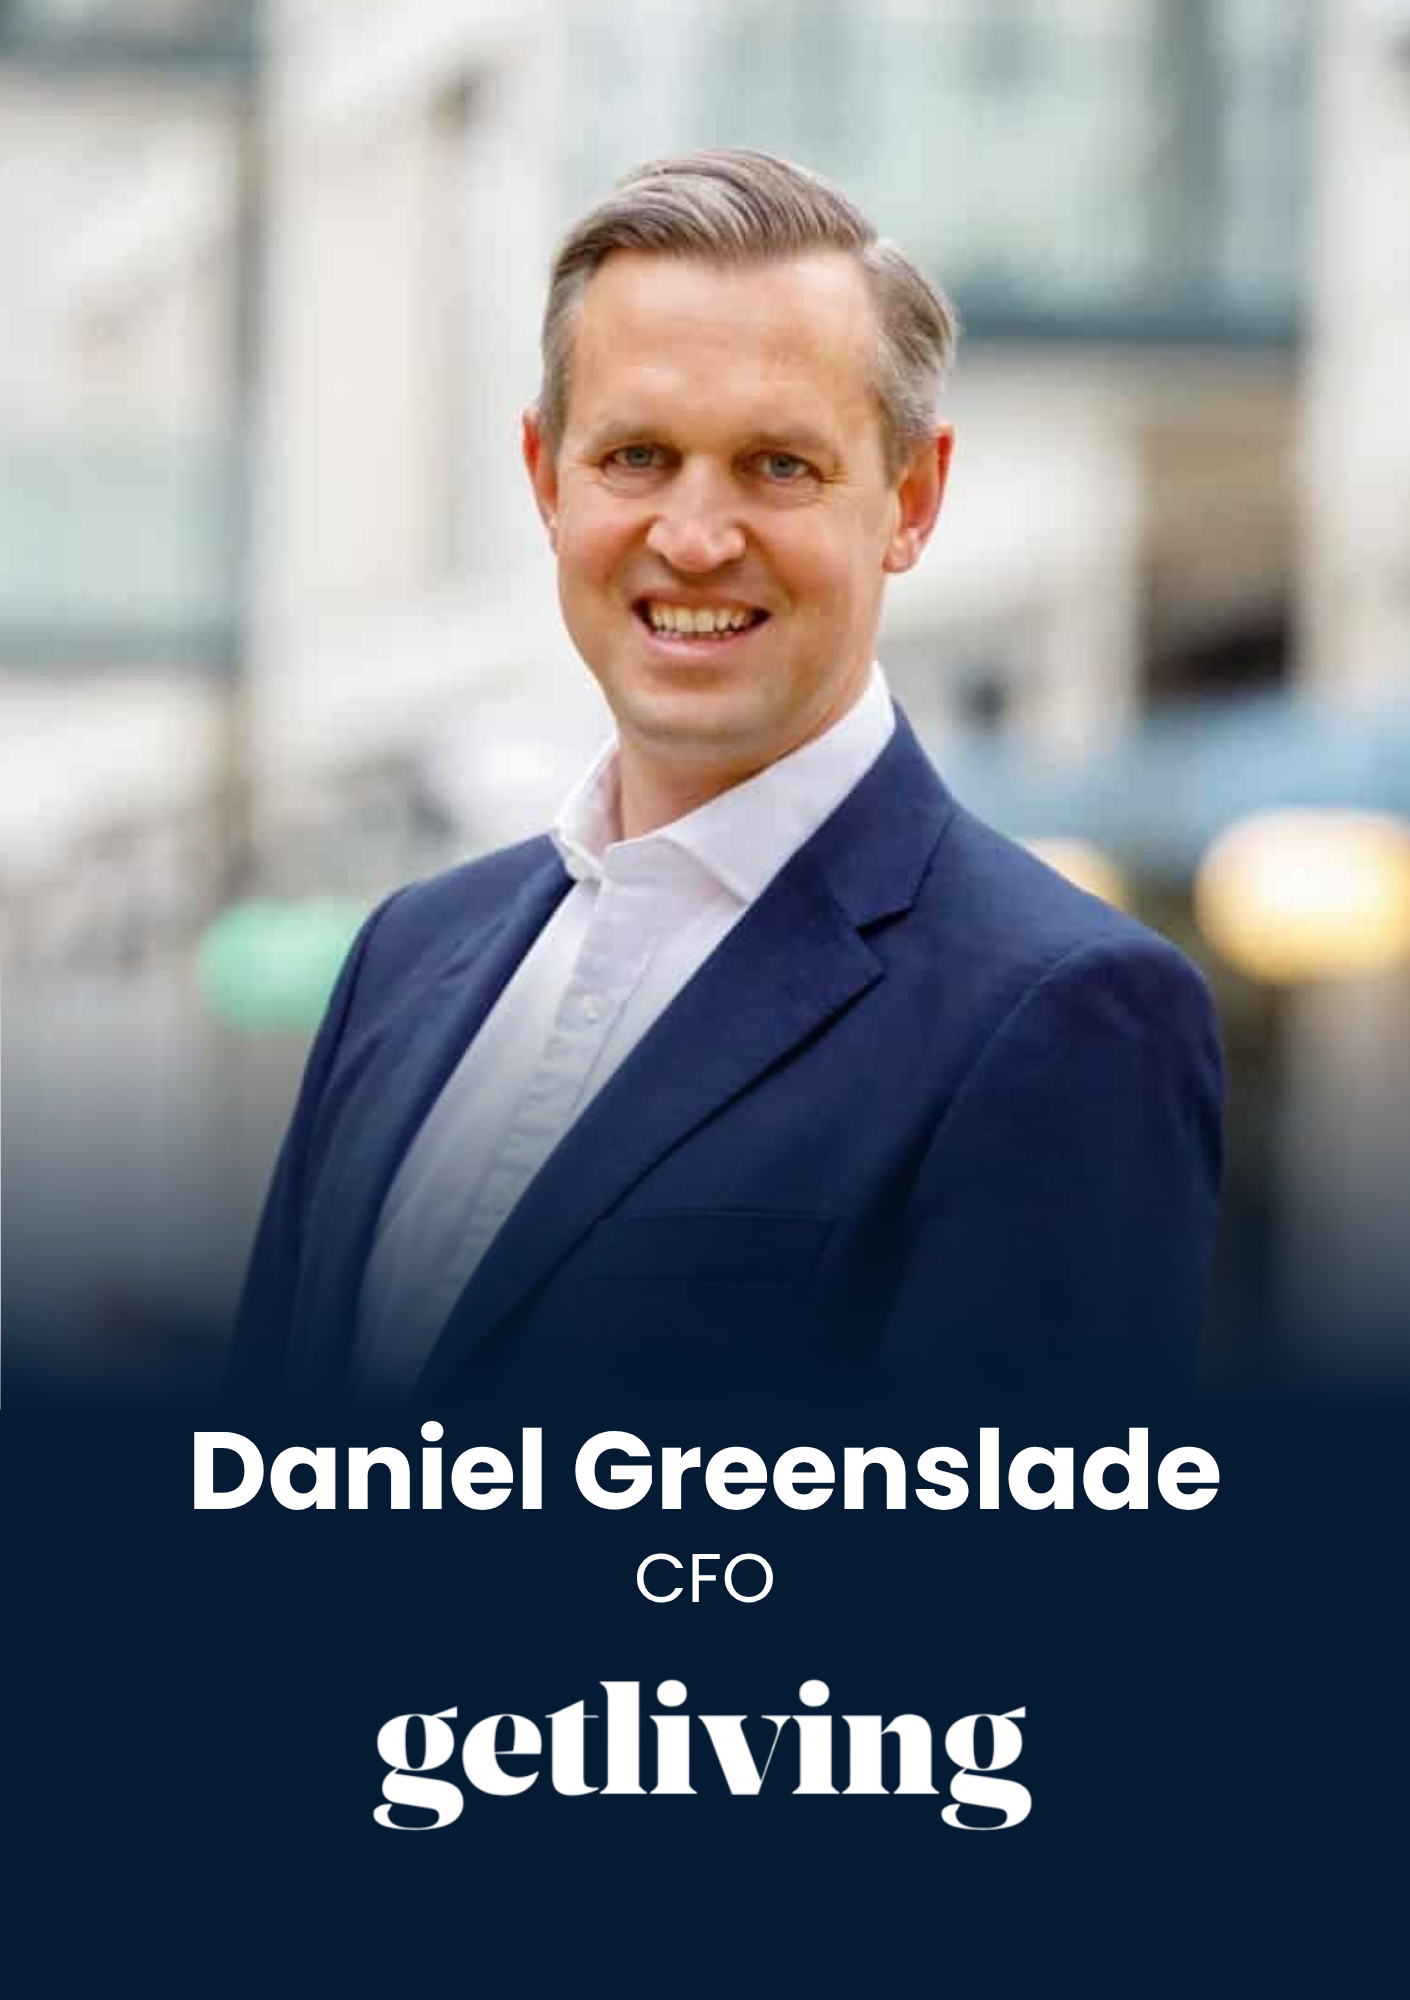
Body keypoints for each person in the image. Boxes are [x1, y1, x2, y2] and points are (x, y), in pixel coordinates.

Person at [230, 150, 1222, 1407]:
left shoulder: (1067, 1018)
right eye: (637, 456)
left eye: (780, 466)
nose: (694, 540)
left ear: (912, 498)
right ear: (546, 478)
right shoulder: (405, 957)